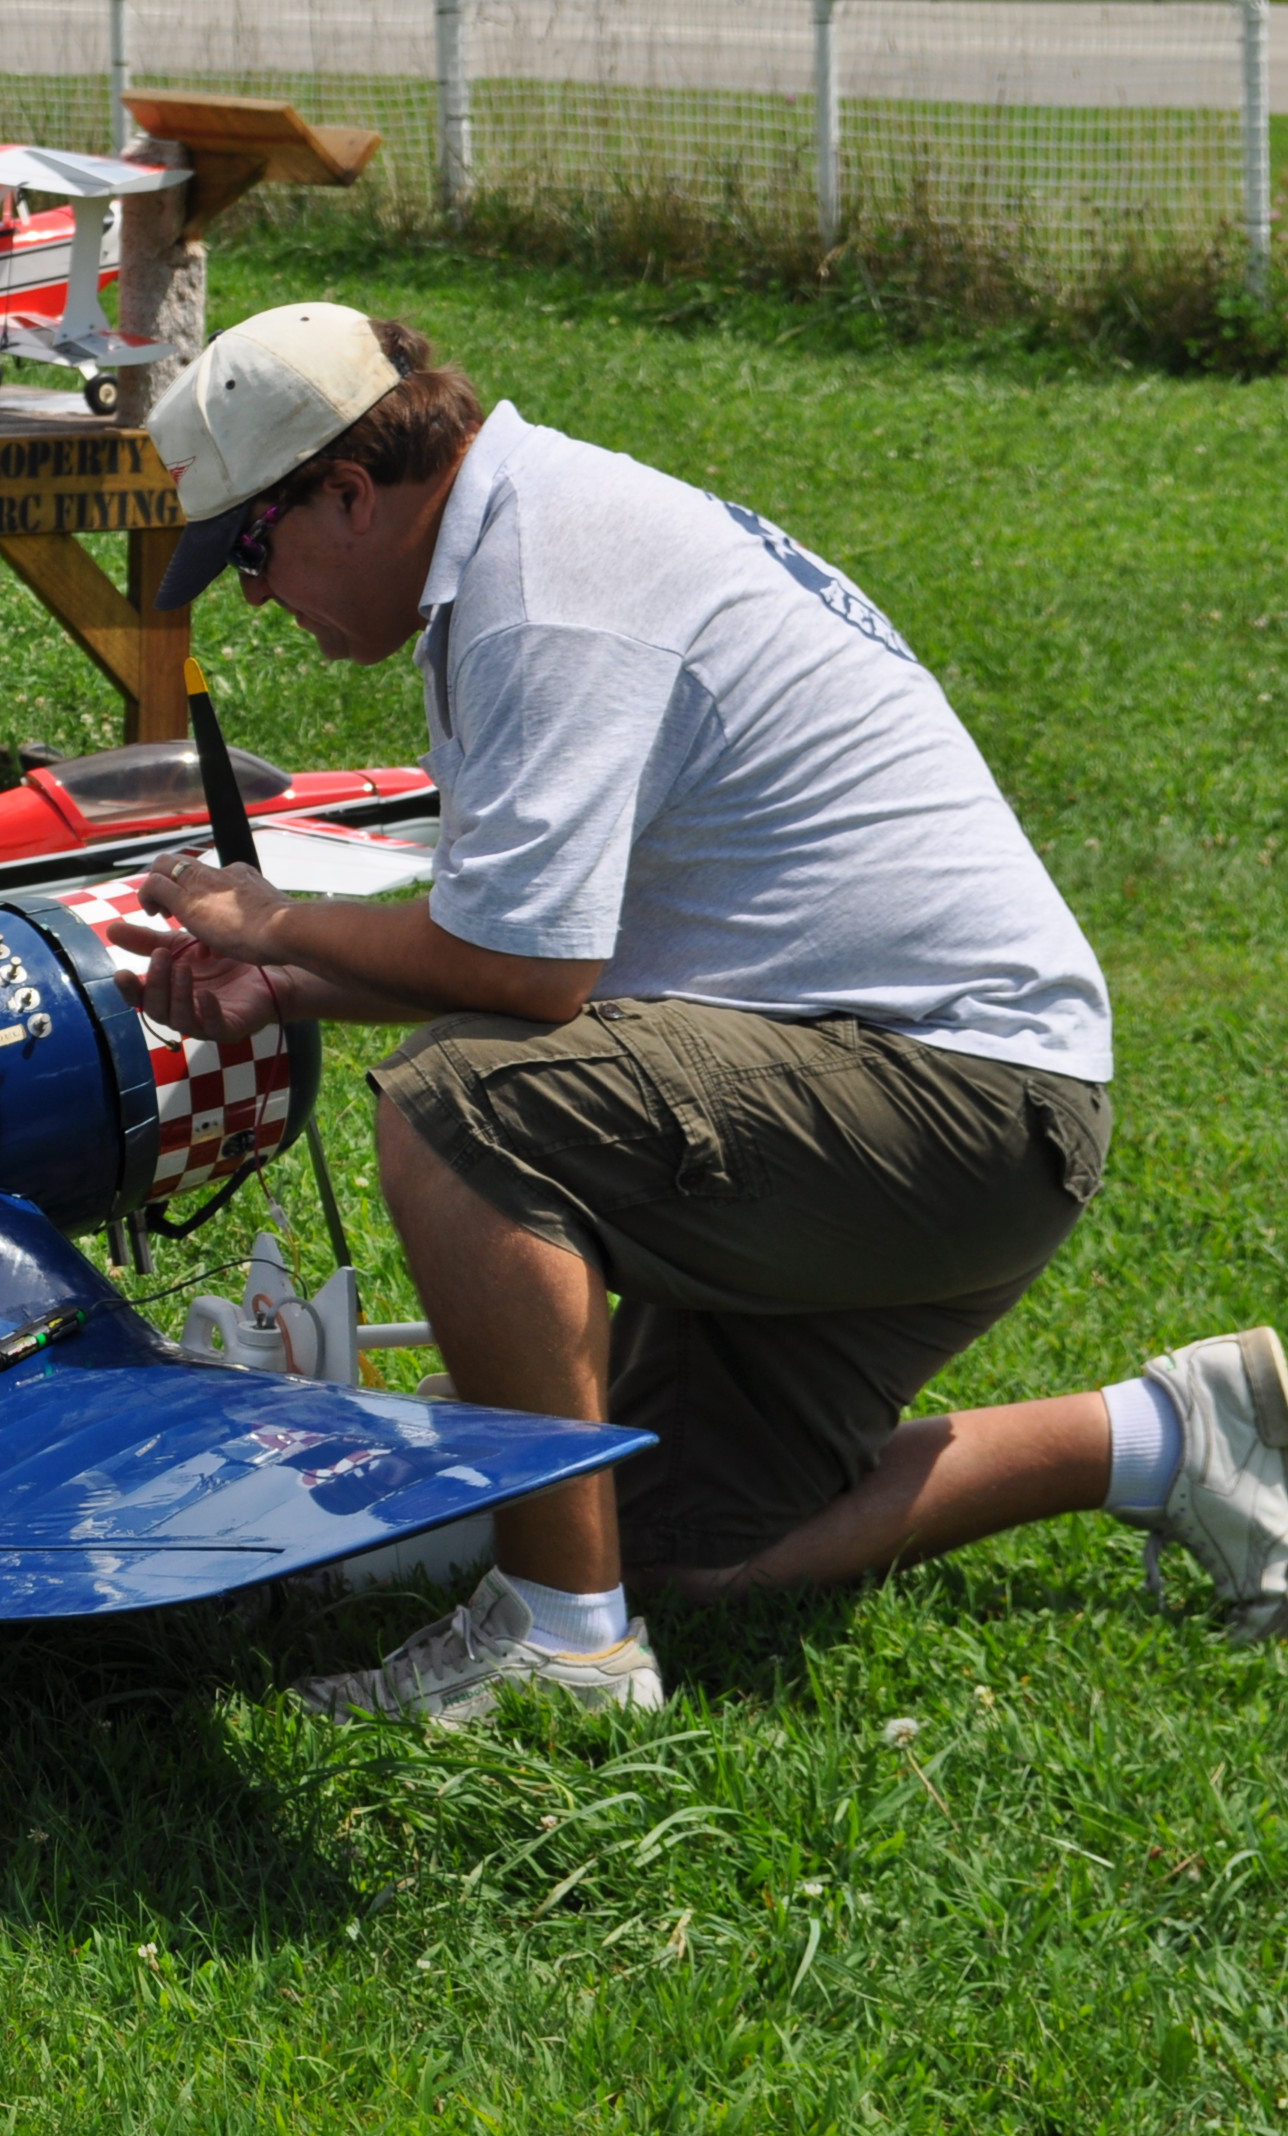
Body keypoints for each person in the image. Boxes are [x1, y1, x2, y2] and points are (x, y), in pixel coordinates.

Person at [111, 303, 1286, 1722]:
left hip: (960, 1105)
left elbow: (526, 987)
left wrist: (274, 921)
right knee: (685, 1549)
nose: (250, 597)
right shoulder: (524, 537)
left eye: (250, 550)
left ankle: (562, 1643)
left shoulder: (546, 583)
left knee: (460, 1110)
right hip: (953, 1098)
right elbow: (557, 957)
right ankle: (1166, 1436)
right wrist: (292, 984)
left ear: (349, 493)